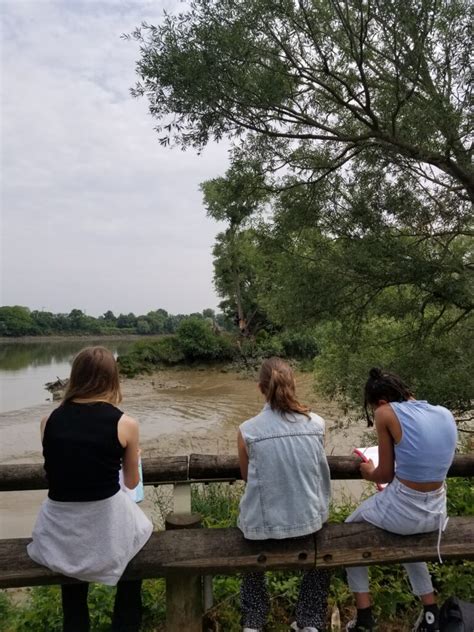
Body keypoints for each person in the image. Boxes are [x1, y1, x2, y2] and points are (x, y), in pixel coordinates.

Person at [27, 346, 153, 632]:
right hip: (104, 524)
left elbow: (59, 471)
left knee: (71, 578)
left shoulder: (48, 421)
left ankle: (76, 625)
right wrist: (133, 456)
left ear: (75, 377)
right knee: (139, 539)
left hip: (58, 527)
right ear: (112, 379)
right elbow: (132, 483)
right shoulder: (125, 423)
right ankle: (124, 624)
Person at [345, 368, 457, 632]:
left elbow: (383, 473)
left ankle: (364, 618)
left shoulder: (385, 413)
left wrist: (368, 471)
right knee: (406, 539)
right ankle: (430, 613)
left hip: (404, 511)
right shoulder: (444, 413)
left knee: (348, 534)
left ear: (382, 402)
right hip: (436, 513)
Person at [237, 357, 331, 632]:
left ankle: (254, 620)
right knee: (322, 543)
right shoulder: (317, 424)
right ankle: (310, 622)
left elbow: (246, 477)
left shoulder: (247, 430)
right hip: (308, 523)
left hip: (261, 529)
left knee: (248, 532)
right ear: (294, 384)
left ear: (260, 388)